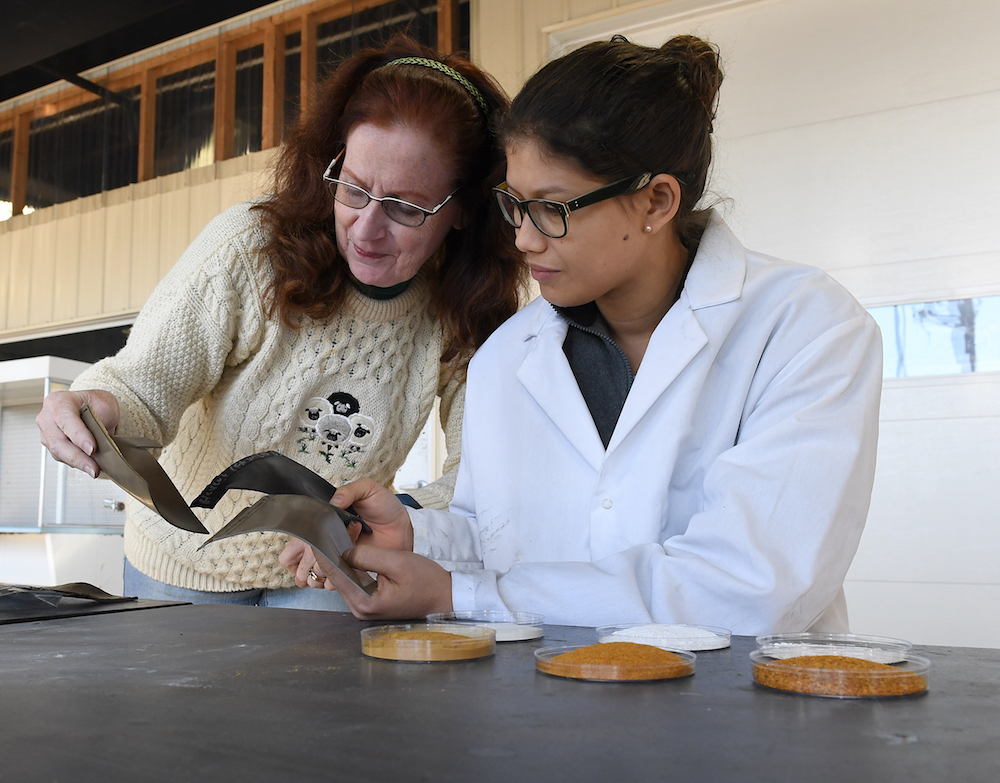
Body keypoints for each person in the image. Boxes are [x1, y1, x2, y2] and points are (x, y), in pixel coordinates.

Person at [298, 35, 883, 635]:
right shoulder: (507, 355)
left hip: (731, 713)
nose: (524, 238)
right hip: (547, 709)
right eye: (514, 204)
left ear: (656, 201)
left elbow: (750, 588)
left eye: (552, 209)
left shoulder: (803, 328)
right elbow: (498, 536)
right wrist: (412, 533)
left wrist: (462, 595)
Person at [35, 36, 526, 610]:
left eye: (406, 207)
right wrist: (97, 406)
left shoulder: (470, 307)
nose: (366, 229)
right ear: (332, 161)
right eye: (355, 188)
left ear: (463, 210)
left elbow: (478, 480)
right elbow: (143, 386)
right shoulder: (249, 248)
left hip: (328, 564)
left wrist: (391, 522)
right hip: (184, 560)